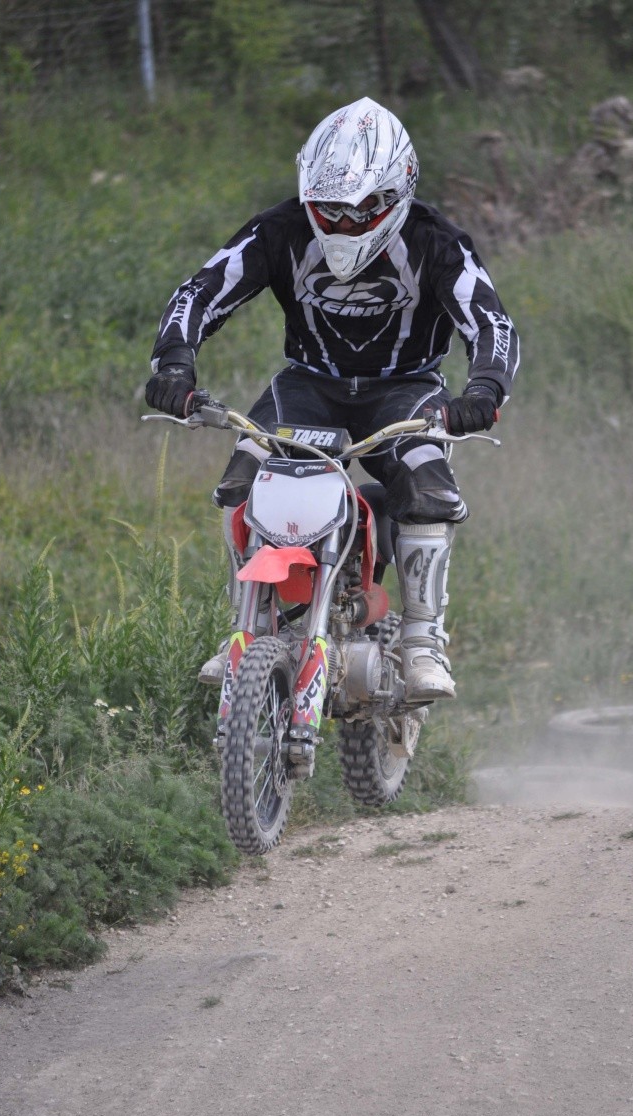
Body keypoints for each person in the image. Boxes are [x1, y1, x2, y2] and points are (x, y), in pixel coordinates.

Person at [144, 96, 519, 701]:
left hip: (407, 389)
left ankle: (424, 640)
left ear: (399, 193)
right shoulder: (281, 229)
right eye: (328, 209)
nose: (342, 223)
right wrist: (174, 363)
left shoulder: (437, 242)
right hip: (308, 384)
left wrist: (483, 389)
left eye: (360, 211)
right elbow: (200, 291)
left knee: (429, 488)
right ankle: (249, 626)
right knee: (244, 476)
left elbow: (492, 324)